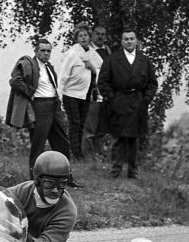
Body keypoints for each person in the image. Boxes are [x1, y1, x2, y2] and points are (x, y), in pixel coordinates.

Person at [6, 38, 81, 186]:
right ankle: (34, 180)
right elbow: (15, 81)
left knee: (62, 142)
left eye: (48, 51)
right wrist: (29, 93)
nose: (46, 53)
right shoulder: (29, 64)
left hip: (54, 105)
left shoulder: (49, 67)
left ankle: (67, 178)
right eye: (43, 50)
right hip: (40, 106)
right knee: (38, 144)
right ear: (36, 51)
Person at [97, 28, 158, 179]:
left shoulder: (144, 60)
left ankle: (133, 170)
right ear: (122, 41)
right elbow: (103, 82)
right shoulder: (112, 59)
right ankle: (115, 169)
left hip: (137, 102)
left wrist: (146, 100)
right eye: (126, 39)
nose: (129, 41)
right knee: (118, 136)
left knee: (134, 137)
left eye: (131, 39)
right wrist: (112, 98)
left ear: (136, 41)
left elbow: (152, 83)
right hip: (118, 101)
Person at [7, 150, 78, 242]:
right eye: (49, 183)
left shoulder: (67, 211)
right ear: (37, 180)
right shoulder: (20, 191)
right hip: (8, 241)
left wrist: (23, 236)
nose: (55, 190)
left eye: (62, 183)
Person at [58, 23, 101, 161]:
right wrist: (59, 95)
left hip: (85, 94)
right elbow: (63, 75)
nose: (83, 38)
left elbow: (101, 69)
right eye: (80, 36)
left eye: (85, 35)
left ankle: (79, 153)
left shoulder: (93, 54)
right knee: (74, 123)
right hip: (70, 93)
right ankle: (74, 154)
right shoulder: (72, 53)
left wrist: (92, 68)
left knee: (82, 124)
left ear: (90, 37)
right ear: (76, 38)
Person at [83, 24, 111, 157]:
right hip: (91, 93)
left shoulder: (108, 51)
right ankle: (87, 157)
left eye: (102, 34)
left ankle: (98, 156)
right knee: (89, 128)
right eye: (97, 34)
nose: (100, 37)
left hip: (105, 94)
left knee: (102, 128)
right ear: (92, 35)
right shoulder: (86, 51)